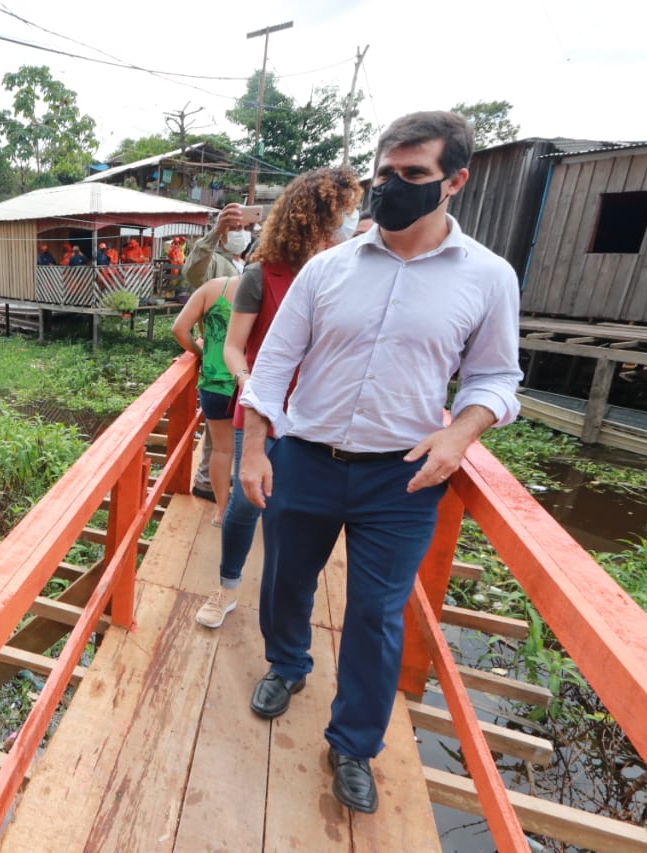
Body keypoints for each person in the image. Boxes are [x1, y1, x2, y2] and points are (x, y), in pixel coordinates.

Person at [237, 111, 522, 815]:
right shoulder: (326, 270)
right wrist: (251, 448)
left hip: (403, 473)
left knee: (377, 613)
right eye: (384, 173)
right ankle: (288, 664)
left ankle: (355, 743)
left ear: (454, 180)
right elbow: (274, 362)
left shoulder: (488, 278)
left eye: (413, 175)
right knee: (284, 581)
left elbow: (494, 378)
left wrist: (461, 435)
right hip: (305, 454)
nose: (392, 186)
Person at [195, 166, 363, 630]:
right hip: (265, 408)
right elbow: (233, 344)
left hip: (320, 417)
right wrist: (246, 378)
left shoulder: (352, 276)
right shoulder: (261, 275)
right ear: (314, 218)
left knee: (296, 514)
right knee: (245, 505)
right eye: (341, 216)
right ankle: (228, 586)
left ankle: (288, 616)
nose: (348, 227)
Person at [185, 207, 258, 502]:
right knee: (220, 437)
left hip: (247, 362)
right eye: (233, 227)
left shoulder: (255, 261)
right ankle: (209, 485)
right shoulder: (215, 264)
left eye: (243, 226)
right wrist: (216, 233)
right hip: (221, 362)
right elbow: (192, 273)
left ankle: (219, 485)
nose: (238, 231)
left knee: (225, 437)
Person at [172, 274, 241, 527]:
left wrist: (203, 353)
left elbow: (179, 329)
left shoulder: (214, 287)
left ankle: (222, 512)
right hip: (251, 382)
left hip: (215, 383)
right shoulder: (269, 289)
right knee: (253, 449)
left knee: (222, 450)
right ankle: (249, 510)